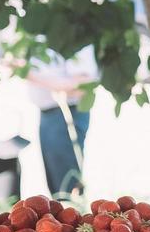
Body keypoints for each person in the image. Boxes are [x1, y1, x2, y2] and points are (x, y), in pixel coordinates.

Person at [24, 48, 97, 196]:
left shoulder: (75, 35)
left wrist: (29, 74)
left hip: (67, 113)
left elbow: (83, 84)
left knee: (67, 188)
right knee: (56, 189)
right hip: (47, 114)